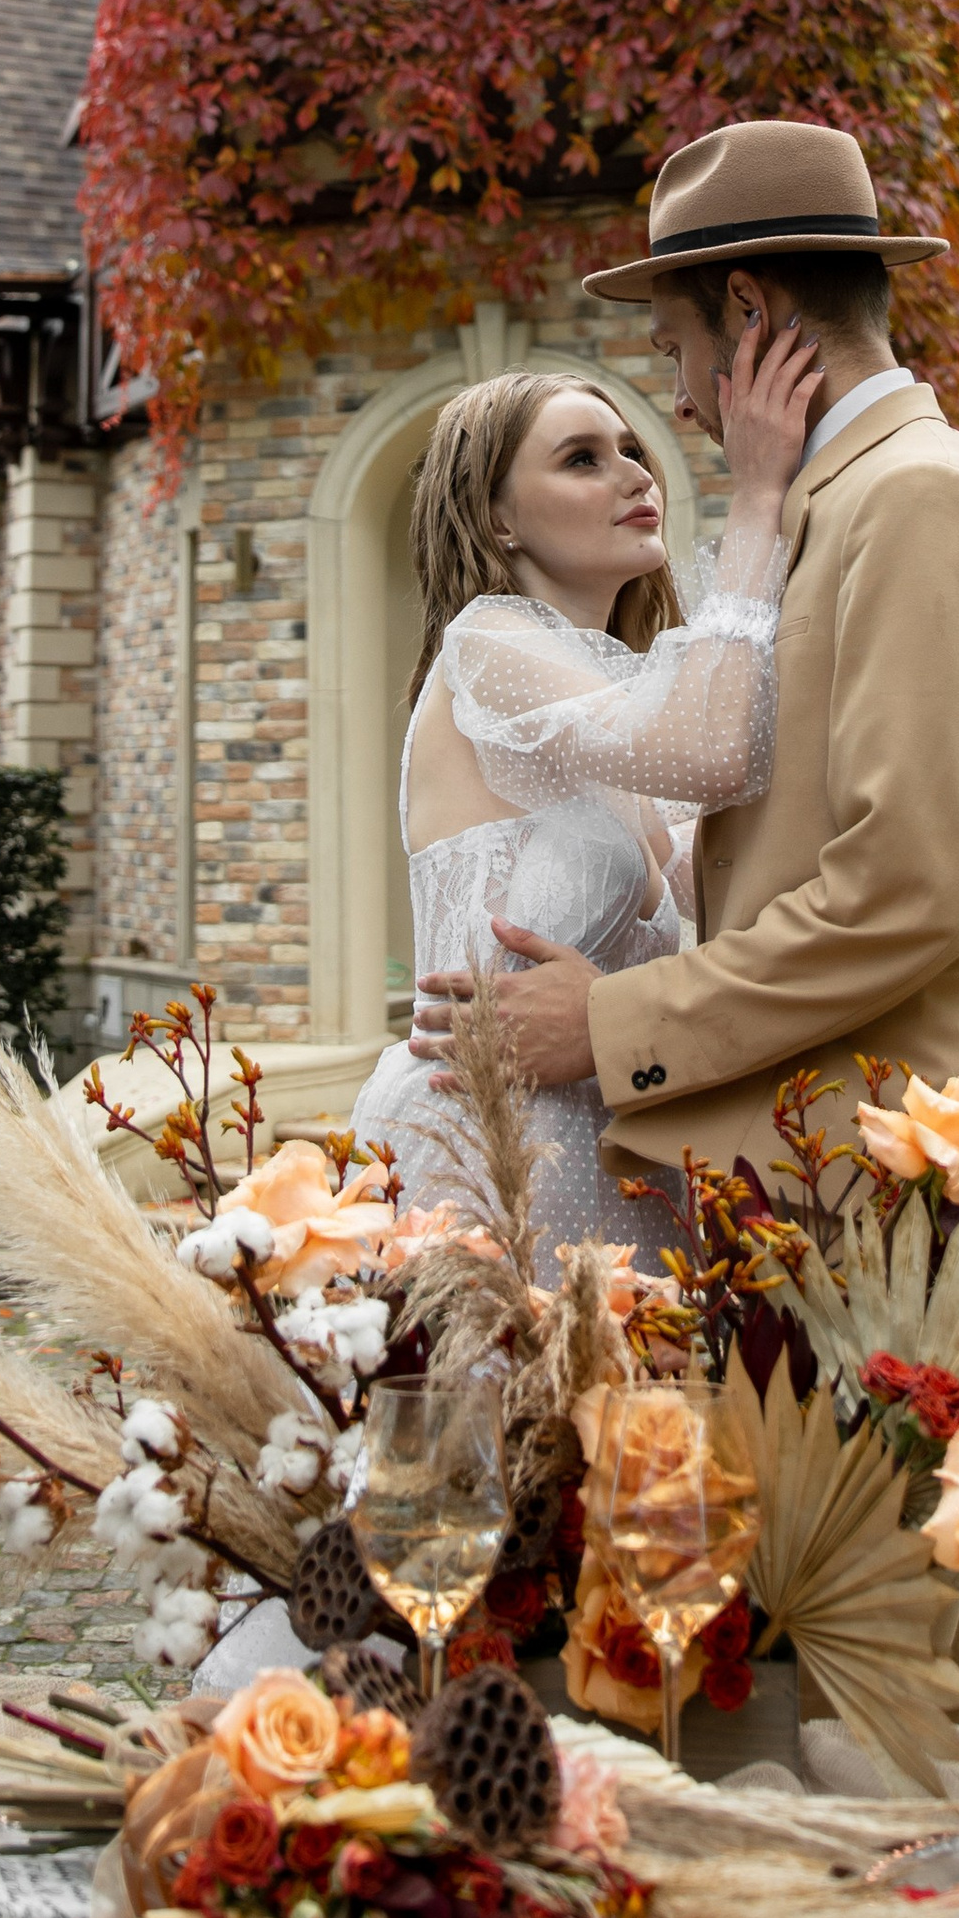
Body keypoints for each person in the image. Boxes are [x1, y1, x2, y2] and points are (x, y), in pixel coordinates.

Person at [412, 118, 959, 1213]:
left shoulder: (919, 500)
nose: (674, 402)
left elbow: (903, 891)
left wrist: (613, 1024)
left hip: (891, 1183)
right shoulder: (845, 506)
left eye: (673, 350)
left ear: (749, 313)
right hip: (796, 1169)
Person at [351, 325, 817, 1258]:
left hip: (618, 1157)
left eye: (633, 452)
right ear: (497, 521)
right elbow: (717, 752)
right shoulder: (486, 647)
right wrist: (760, 498)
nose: (635, 476)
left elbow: (737, 870)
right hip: (479, 1146)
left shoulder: (614, 715)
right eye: (581, 459)